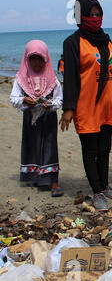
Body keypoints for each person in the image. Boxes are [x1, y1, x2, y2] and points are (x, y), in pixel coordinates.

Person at [59, 0, 112, 211]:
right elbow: (70, 77)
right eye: (91, 14)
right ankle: (97, 192)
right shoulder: (72, 43)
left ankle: (105, 185)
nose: (95, 18)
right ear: (80, 16)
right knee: (90, 151)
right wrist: (69, 109)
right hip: (86, 106)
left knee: (105, 149)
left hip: (108, 104)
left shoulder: (106, 40)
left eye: (98, 14)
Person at [10, 40, 64, 197]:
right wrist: (24, 100)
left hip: (48, 119)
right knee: (32, 147)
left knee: (49, 148)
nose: (37, 63)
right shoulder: (21, 79)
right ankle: (36, 177)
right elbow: (14, 98)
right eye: (33, 59)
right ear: (27, 59)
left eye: (41, 59)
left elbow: (59, 100)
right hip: (30, 119)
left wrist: (50, 105)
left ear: (46, 59)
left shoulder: (53, 80)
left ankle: (54, 182)